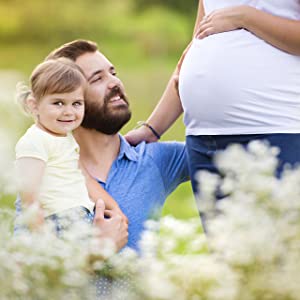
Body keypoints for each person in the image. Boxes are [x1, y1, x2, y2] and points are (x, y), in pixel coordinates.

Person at [15, 39, 189, 252]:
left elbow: (231, 150)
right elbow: (27, 265)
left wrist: (154, 128)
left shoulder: (154, 160)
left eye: (113, 73)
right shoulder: (46, 175)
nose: (115, 83)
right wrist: (96, 252)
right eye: (97, 78)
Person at [126, 0, 300, 206]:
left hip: (274, 133)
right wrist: (152, 128)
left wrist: (246, 17)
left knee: (275, 235)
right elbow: (193, 50)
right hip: (204, 141)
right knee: (225, 238)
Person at [15, 58, 128, 248]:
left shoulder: (65, 138)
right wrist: (45, 243)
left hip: (82, 219)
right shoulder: (34, 142)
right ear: (34, 105)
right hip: (57, 224)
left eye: (76, 103)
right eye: (58, 103)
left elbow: (84, 178)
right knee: (82, 270)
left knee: (103, 270)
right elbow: (30, 198)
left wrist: (116, 209)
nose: (69, 112)